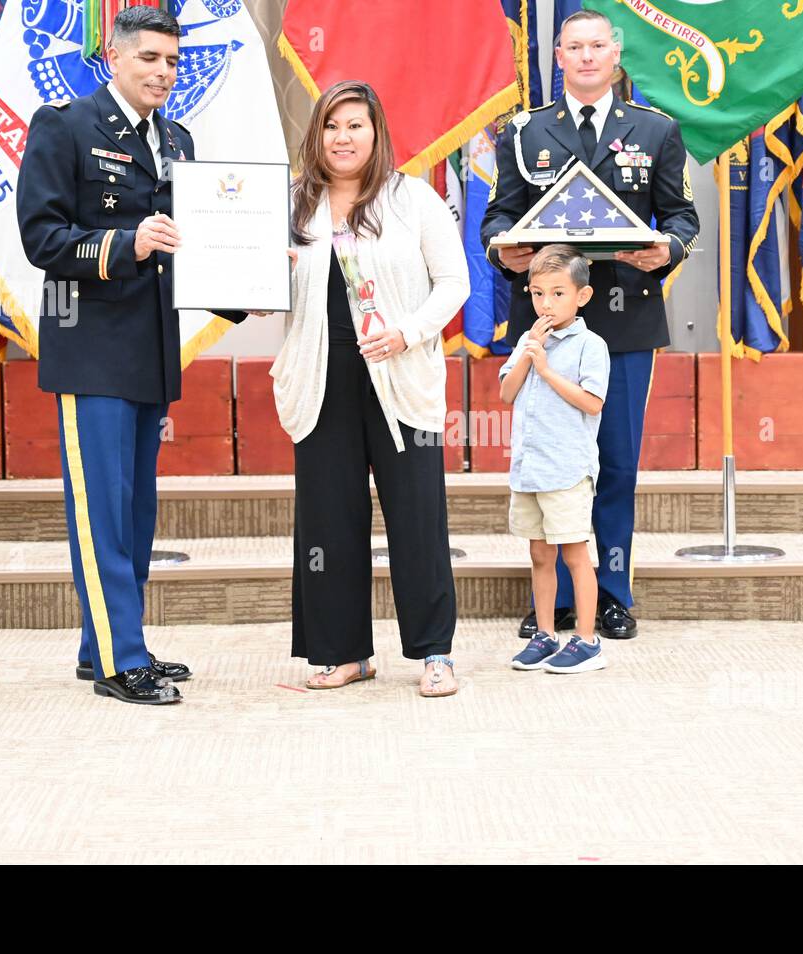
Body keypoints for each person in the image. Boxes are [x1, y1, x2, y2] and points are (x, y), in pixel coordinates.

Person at [17, 6, 249, 704]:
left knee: (136, 513)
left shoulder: (175, 139)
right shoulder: (66, 126)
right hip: (91, 351)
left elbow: (197, 249)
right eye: (149, 58)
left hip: (150, 350)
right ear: (113, 57)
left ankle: (105, 645)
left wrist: (246, 293)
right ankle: (125, 658)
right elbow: (43, 239)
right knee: (104, 516)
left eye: (173, 62)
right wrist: (125, 244)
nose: (163, 72)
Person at [482, 9, 700, 641]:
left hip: (626, 319)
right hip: (546, 324)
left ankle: (610, 593)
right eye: (573, 47)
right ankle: (549, 603)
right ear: (557, 56)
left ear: (616, 51)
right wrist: (504, 249)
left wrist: (669, 250)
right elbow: (498, 218)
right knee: (550, 459)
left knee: (616, 463)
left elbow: (681, 217)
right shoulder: (523, 133)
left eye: (596, 46)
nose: (585, 57)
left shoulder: (656, 130)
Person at [271, 81, 469, 698]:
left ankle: (435, 652)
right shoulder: (294, 204)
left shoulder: (413, 200)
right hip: (320, 378)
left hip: (399, 378)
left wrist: (408, 333)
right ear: (317, 134)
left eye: (356, 125)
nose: (343, 137)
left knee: (417, 517)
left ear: (377, 131)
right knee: (328, 519)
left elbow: (454, 282)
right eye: (332, 126)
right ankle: (342, 653)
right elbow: (266, 283)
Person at [499, 246, 610, 673]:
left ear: (582, 296)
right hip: (530, 469)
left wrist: (546, 371)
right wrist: (529, 357)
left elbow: (593, 403)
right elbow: (507, 393)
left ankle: (586, 640)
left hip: (567, 470)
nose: (546, 304)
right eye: (538, 293)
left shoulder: (590, 345)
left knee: (574, 554)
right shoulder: (529, 341)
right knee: (540, 555)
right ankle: (545, 634)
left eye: (558, 293)